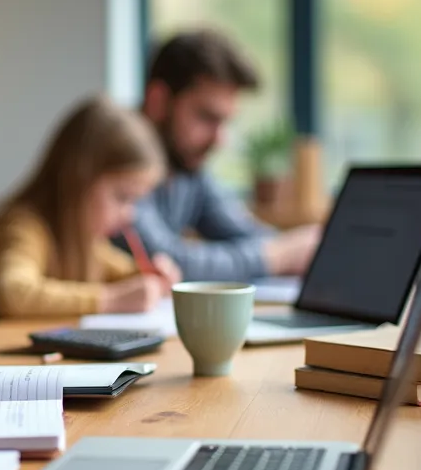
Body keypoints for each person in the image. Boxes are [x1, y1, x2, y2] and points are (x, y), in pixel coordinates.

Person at [0, 95, 182, 343]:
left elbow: (118, 271)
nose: (131, 213)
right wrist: (113, 299)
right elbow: (14, 293)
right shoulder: (22, 227)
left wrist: (149, 276)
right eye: (122, 197)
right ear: (78, 180)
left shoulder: (83, 238)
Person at [123, 29, 320, 283]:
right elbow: (162, 259)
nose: (219, 139)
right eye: (206, 117)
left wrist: (299, 247)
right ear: (158, 100)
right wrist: (277, 256)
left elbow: (243, 232)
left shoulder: (187, 168)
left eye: (225, 122)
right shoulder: (115, 155)